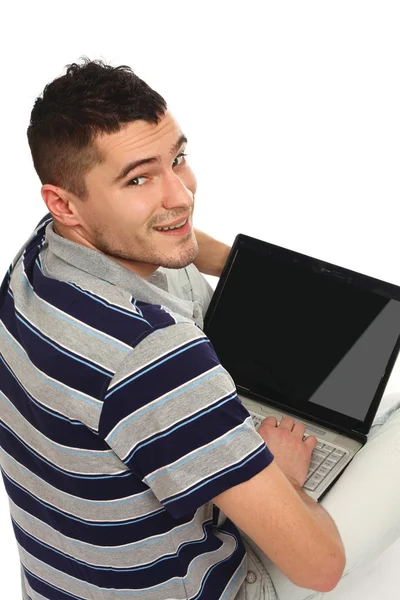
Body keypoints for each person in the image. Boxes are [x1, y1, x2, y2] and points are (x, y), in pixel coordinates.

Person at [5, 56, 396, 600]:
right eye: (138, 178)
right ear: (64, 203)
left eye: (178, 159)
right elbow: (320, 568)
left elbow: (171, 238)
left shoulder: (36, 259)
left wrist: (236, 264)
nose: (181, 194)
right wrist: (279, 473)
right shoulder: (155, 355)